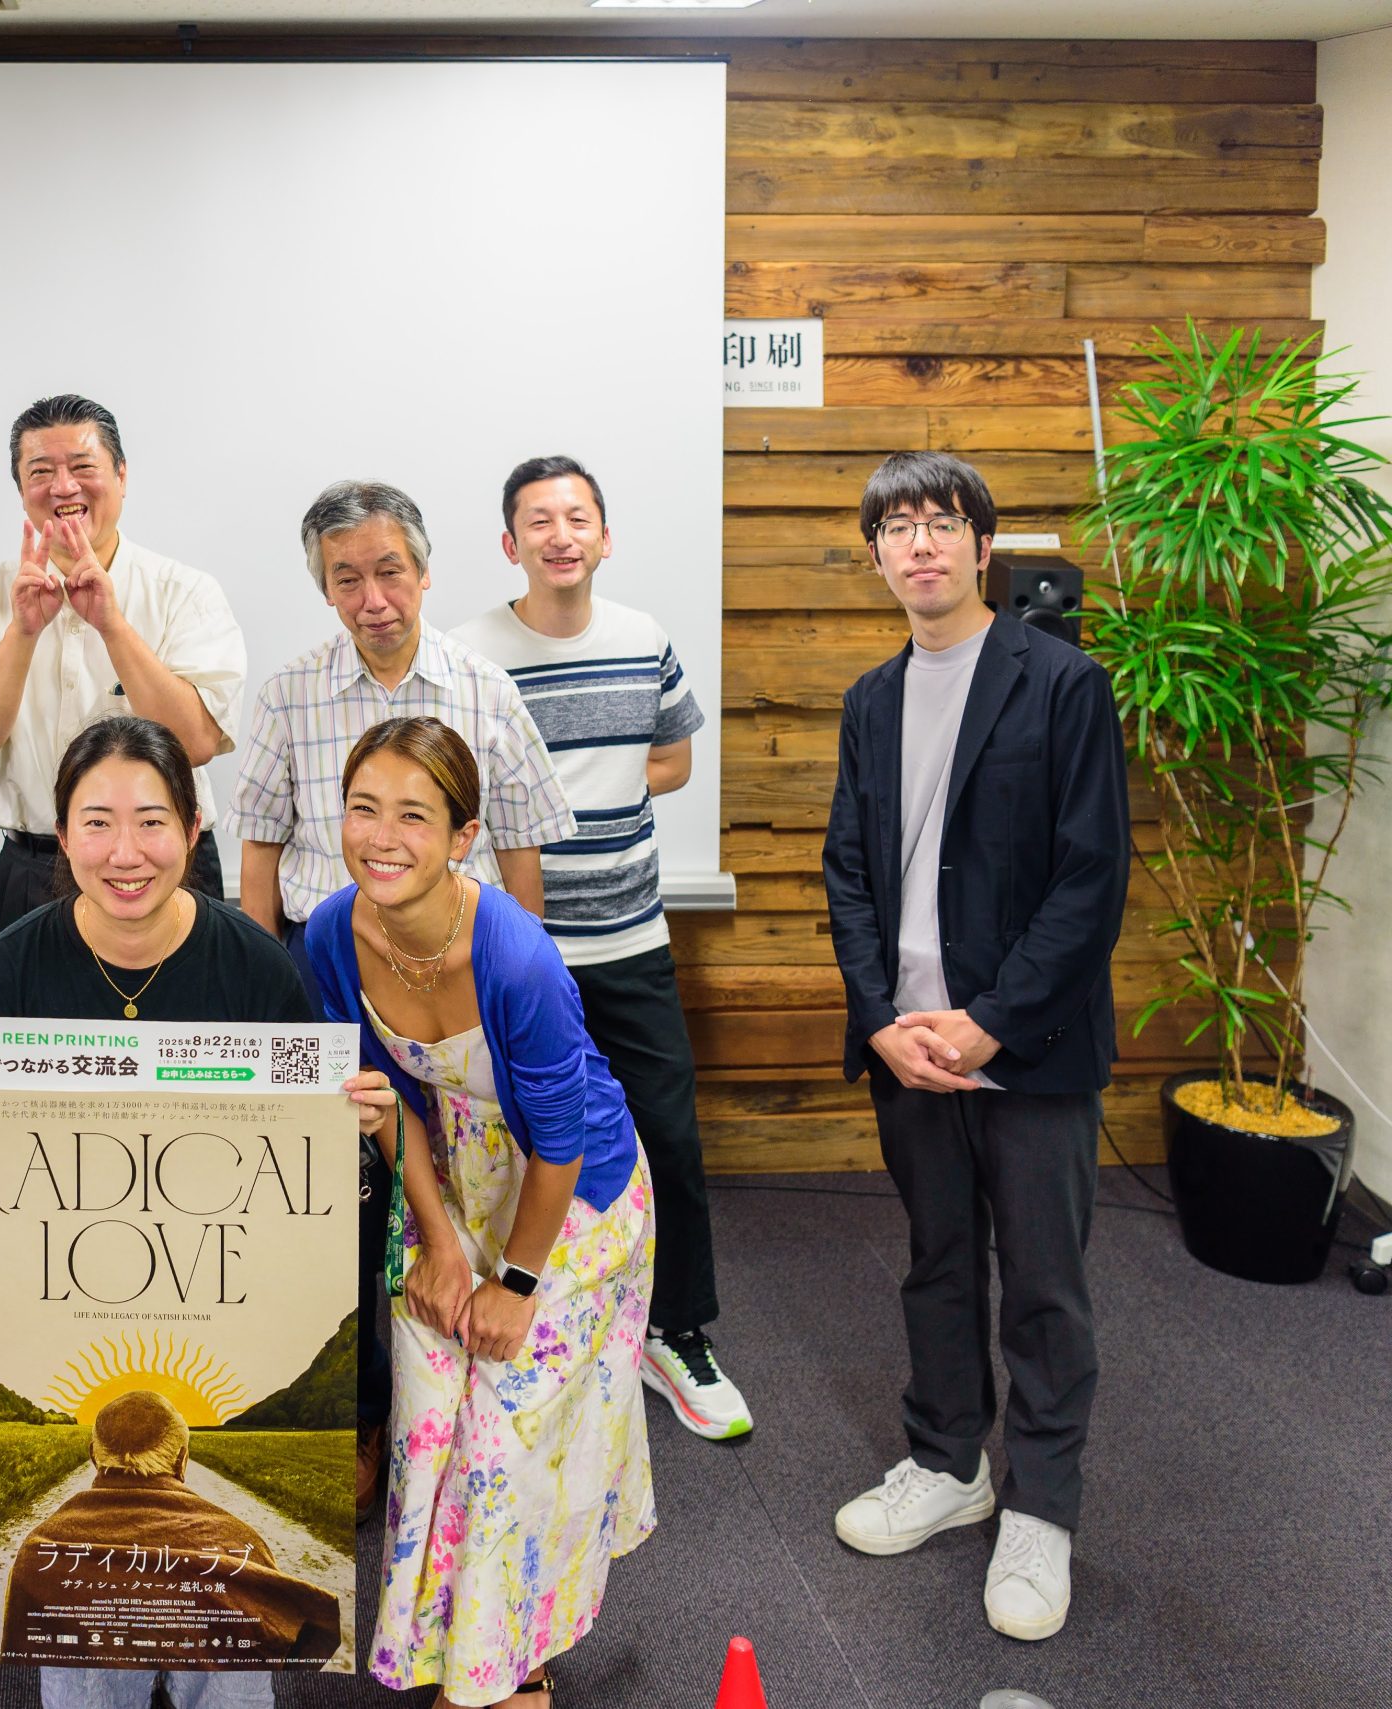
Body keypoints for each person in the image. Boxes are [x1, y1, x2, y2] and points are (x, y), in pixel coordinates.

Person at [0, 715, 387, 1709]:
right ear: (59, 834)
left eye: (152, 820)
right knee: (85, 1639)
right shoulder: (9, 971)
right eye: (97, 821)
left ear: (194, 828)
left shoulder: (256, 967)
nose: (125, 851)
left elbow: (304, 1186)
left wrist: (348, 1121)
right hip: (66, 1331)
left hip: (226, 1332)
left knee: (226, 1652)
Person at [821, 451, 1128, 1642]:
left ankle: (1041, 1507)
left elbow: (1089, 879)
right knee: (937, 1261)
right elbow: (848, 873)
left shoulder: (1062, 684)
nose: (920, 543)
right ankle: (950, 1462)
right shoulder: (870, 698)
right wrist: (878, 1017)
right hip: (908, 1048)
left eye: (942, 522)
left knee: (1044, 1284)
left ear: (982, 546)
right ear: (876, 556)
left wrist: (990, 1017)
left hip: (1027, 1047)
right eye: (897, 527)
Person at [231, 480, 575, 1520]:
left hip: (462, 980)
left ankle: (466, 1378)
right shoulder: (289, 691)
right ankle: (361, 1413)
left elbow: (519, 844)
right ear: (325, 589)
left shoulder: (483, 686)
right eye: (347, 578)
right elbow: (258, 842)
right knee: (339, 1206)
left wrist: (513, 971)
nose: (371, 596)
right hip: (328, 968)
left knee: (452, 1181)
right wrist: (262, 988)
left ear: (424, 573)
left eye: (389, 570)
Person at [306, 716, 653, 1709]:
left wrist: (515, 1281)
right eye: (363, 807)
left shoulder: (515, 956)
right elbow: (379, 1096)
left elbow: (562, 1142)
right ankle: (451, 1650)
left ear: (462, 837)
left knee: (501, 1438)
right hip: (446, 1169)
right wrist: (436, 1239)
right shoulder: (330, 932)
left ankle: (503, 1674)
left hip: (569, 1199)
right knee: (427, 1424)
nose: (381, 836)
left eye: (413, 815)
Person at [451, 455, 750, 1442]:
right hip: (514, 947)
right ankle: (534, 1322)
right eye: (539, 520)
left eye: (577, 517)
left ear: (605, 536)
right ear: (511, 544)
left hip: (630, 934)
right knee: (520, 1144)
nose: (560, 534)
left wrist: (587, 790)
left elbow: (674, 757)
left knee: (667, 1134)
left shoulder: (642, 638)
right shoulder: (471, 653)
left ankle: (677, 1331)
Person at [0, 393, 246, 924]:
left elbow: (197, 742)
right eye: (41, 472)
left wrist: (113, 626)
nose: (63, 487)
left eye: (83, 467)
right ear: (21, 491)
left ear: (122, 476)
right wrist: (21, 633)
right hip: (34, 870)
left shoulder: (185, 592)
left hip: (167, 864)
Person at [0, 1391, 340, 1669]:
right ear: (181, 1460)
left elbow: (20, 1667)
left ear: (93, 1457)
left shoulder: (38, 1550)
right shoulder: (243, 1545)